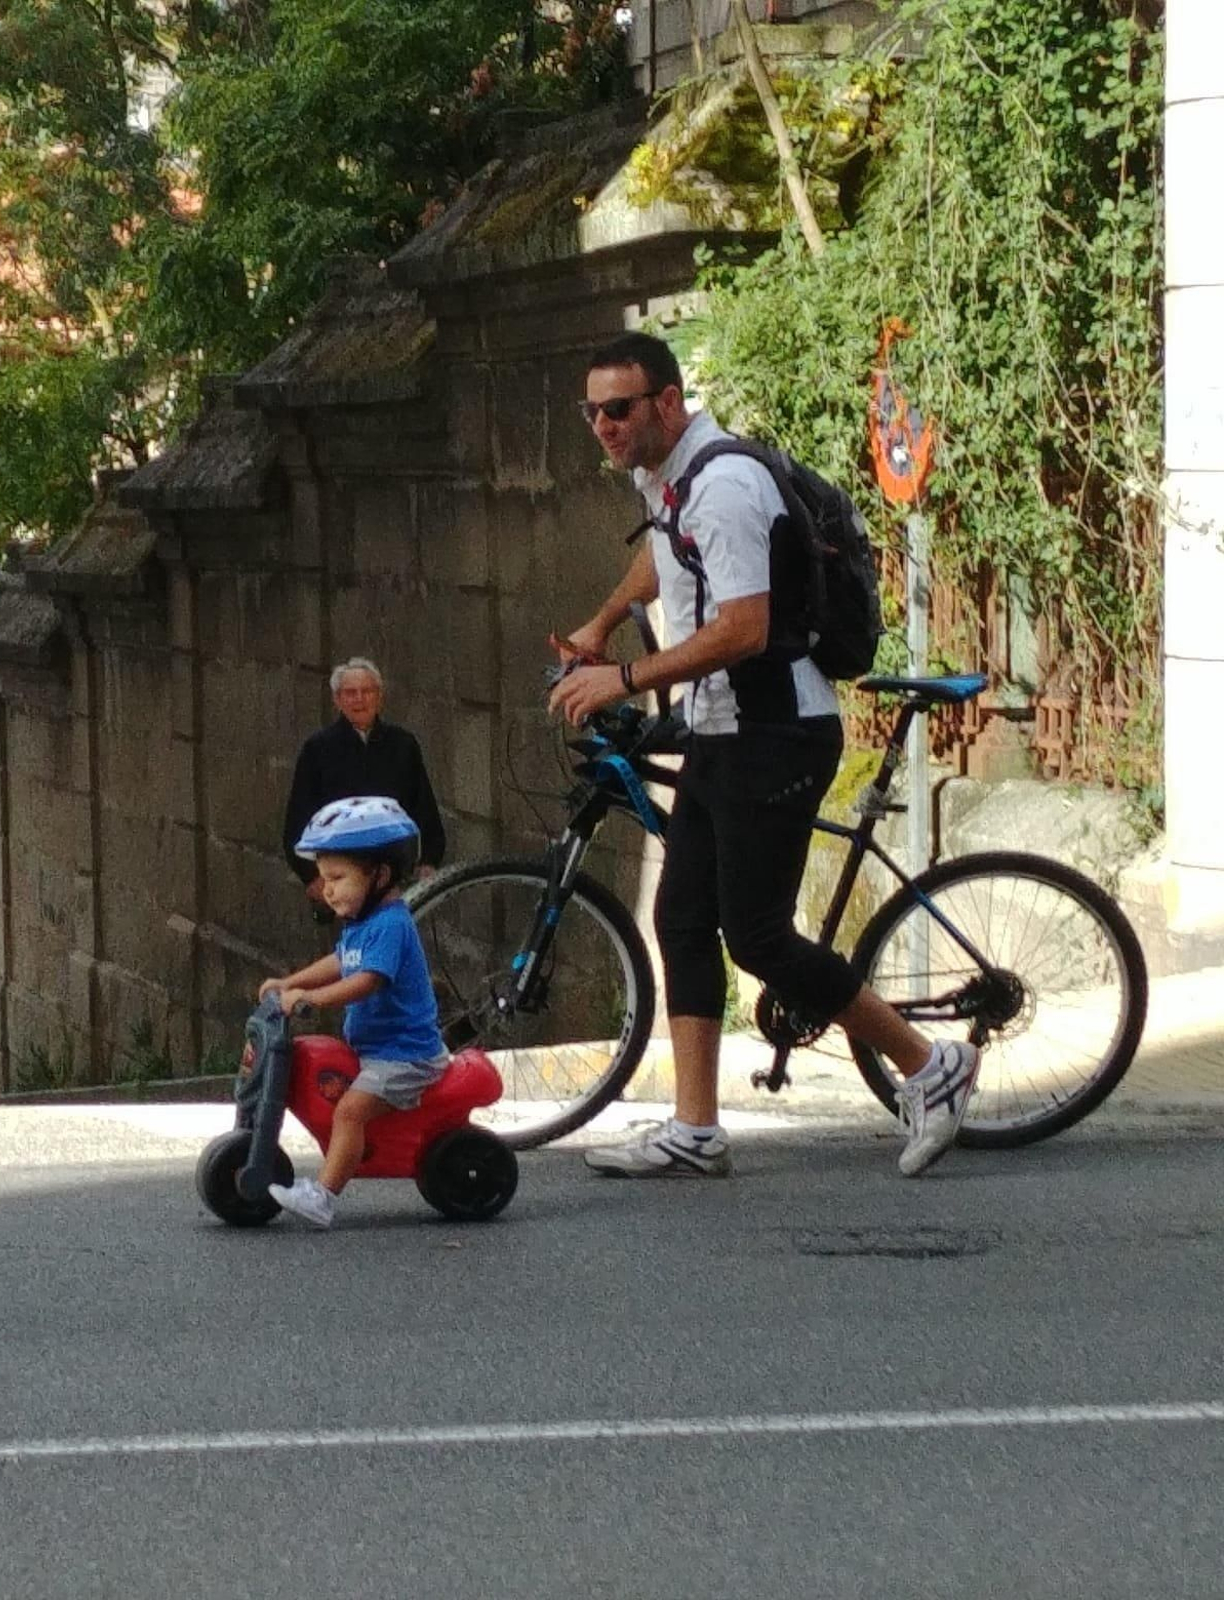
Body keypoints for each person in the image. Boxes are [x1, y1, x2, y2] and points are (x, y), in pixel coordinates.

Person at [549, 331, 979, 1180]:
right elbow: (663, 555)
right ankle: (697, 1129)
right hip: (725, 730)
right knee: (680, 918)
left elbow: (742, 627)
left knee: (757, 937)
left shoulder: (728, 488)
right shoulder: (673, 475)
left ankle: (933, 1067)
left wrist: (624, 676)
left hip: (776, 731)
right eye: (591, 410)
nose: (603, 424)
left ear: (668, 402)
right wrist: (600, 625)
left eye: (619, 408)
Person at [260, 795, 448, 1228]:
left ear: (379, 874)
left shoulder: (392, 925)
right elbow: (341, 961)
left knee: (348, 1111)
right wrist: (292, 982)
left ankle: (323, 1198)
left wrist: (312, 1000)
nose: (327, 889)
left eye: (338, 877)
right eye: (324, 878)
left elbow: (366, 981)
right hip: (378, 1050)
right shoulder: (362, 924)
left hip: (406, 1056)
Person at [282, 658, 446, 914]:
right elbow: (299, 817)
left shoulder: (403, 745)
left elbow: (423, 807)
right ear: (337, 700)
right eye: (350, 693)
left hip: (394, 875)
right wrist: (312, 878)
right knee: (350, 950)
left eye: (367, 691)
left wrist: (429, 861)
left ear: (379, 697)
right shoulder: (318, 749)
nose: (359, 699)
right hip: (340, 875)